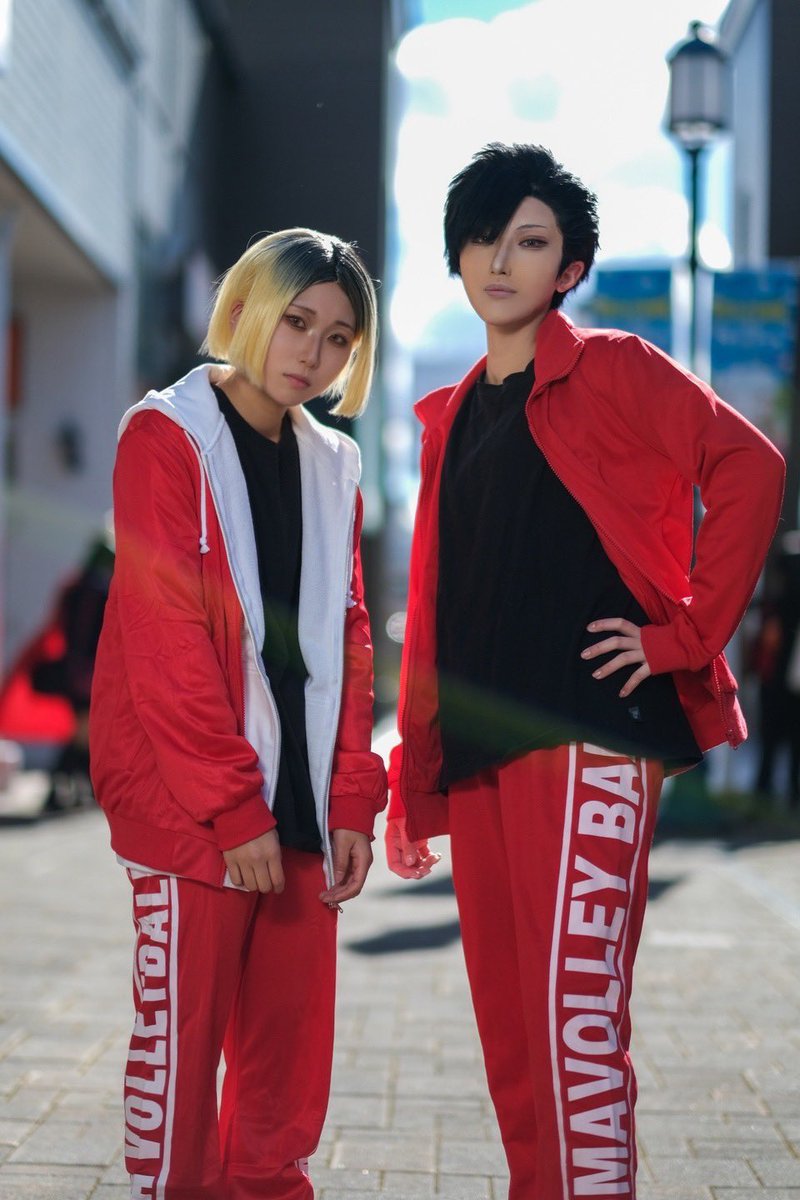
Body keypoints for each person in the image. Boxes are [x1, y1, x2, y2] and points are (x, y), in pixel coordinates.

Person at [385, 143, 785, 1200]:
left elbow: (749, 467)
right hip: (483, 750)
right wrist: (413, 771)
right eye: (483, 239)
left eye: (529, 243)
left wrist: (684, 636)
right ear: (456, 256)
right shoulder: (450, 417)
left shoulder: (611, 367)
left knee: (575, 1029)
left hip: (589, 733)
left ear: (568, 268)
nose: (500, 261)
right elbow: (439, 601)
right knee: (515, 1042)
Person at [90, 228, 387, 1200]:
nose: (312, 352)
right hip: (194, 809)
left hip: (299, 808)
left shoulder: (334, 464)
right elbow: (164, 635)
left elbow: (348, 637)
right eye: (297, 321)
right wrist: (229, 806)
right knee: (181, 1060)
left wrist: (351, 796)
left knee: (283, 1078)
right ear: (247, 307)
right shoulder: (166, 435)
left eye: (338, 338)